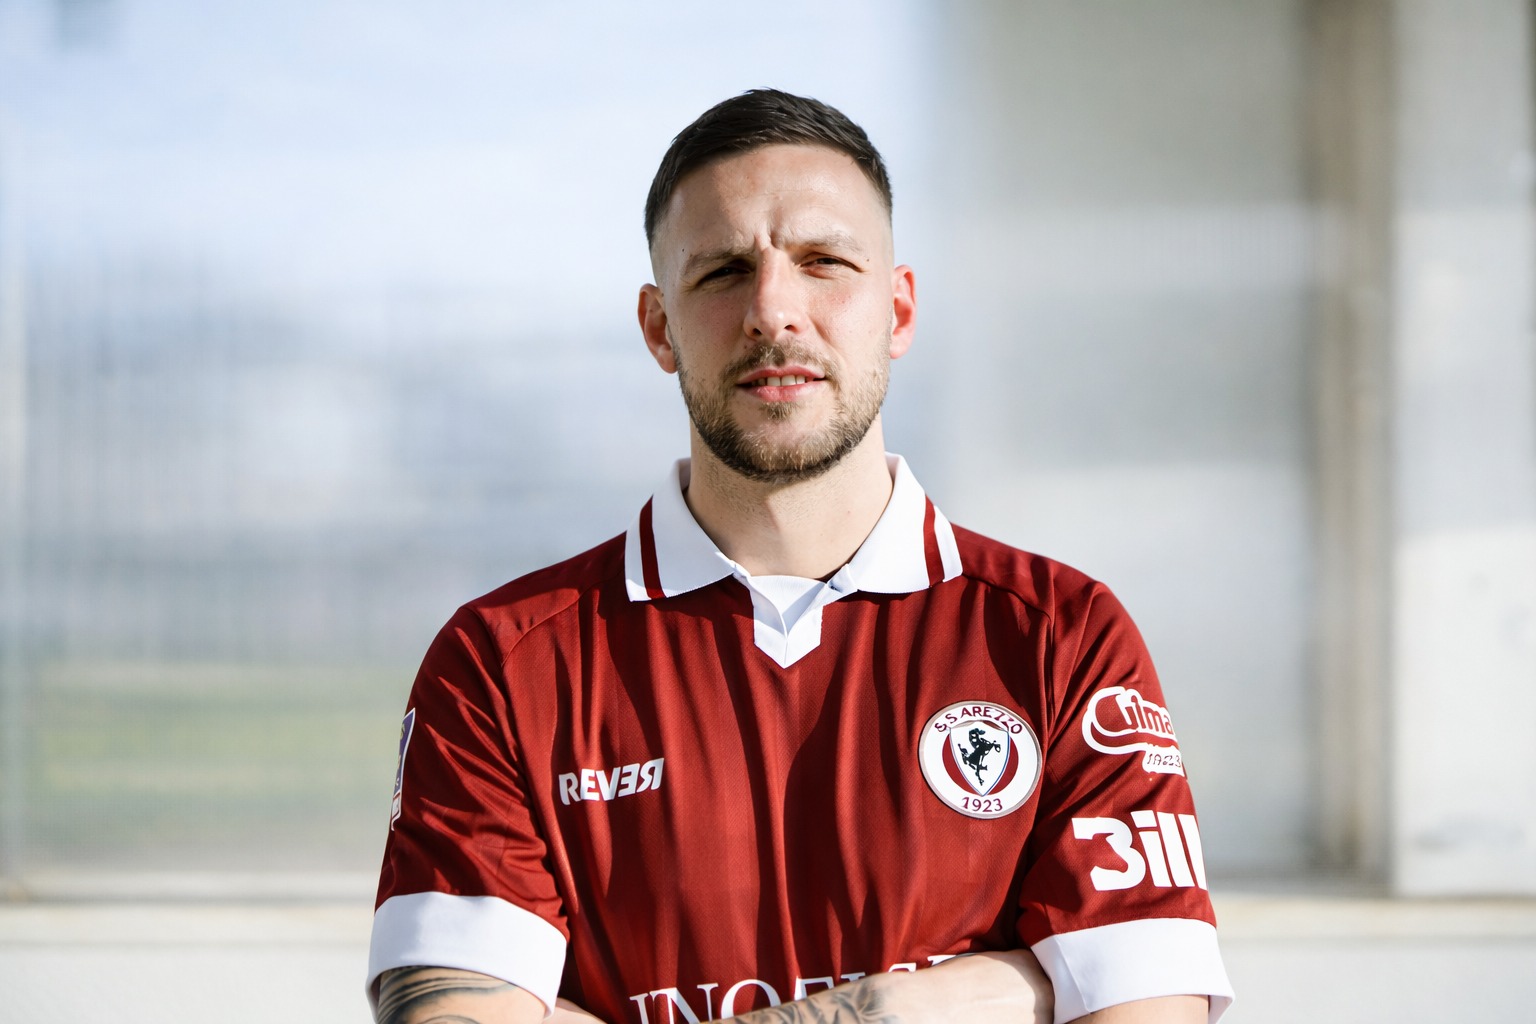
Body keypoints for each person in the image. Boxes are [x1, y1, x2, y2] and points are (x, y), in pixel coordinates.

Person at [367, 89, 1234, 1024]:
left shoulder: (1061, 635)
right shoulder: (502, 661)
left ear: (897, 310)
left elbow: (1148, 1011)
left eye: (823, 262)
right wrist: (948, 999)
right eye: (724, 271)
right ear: (659, 329)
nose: (773, 310)